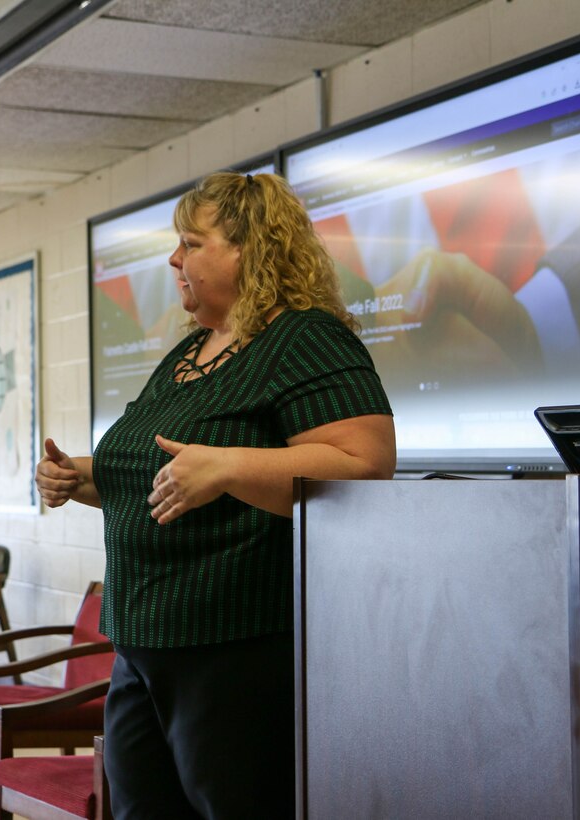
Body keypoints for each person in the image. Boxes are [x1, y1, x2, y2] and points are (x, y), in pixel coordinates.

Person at [35, 171, 395, 819]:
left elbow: (364, 464)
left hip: (233, 650)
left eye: (190, 243)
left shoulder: (305, 337)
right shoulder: (191, 353)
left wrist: (228, 467)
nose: (174, 259)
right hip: (141, 644)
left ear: (251, 248)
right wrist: (83, 477)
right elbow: (169, 473)